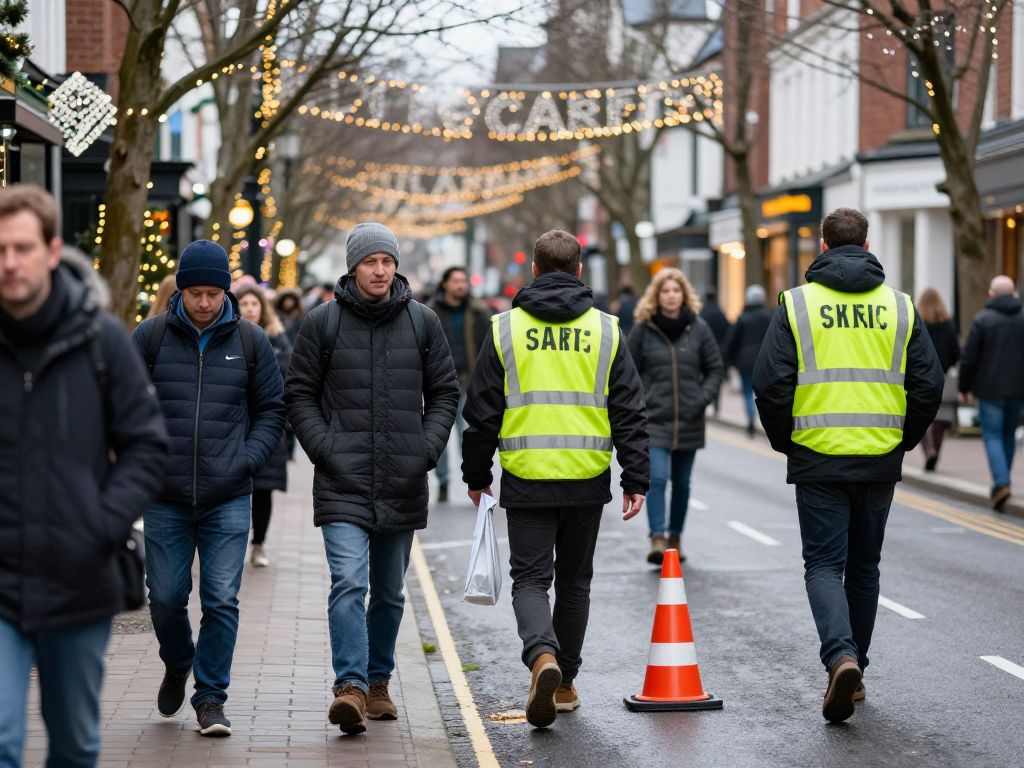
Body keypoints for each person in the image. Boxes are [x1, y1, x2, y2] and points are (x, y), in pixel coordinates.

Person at [0, 185, 169, 766]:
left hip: (78, 577)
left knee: (74, 746)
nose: (10, 263)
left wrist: (100, 523)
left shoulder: (101, 341)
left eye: (22, 248)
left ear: (52, 251)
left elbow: (146, 444)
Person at [753, 208, 942, 724]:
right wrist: (901, 440)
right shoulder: (899, 307)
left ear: (823, 245)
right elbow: (929, 384)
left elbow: (769, 382)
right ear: (867, 244)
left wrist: (787, 442)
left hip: (818, 456)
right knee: (864, 566)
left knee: (823, 566)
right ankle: (856, 669)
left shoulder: (798, 304)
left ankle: (841, 657)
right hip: (878, 457)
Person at [462, 229, 649, 729]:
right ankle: (564, 682)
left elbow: (481, 412)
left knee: (530, 579)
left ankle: (541, 655)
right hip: (586, 478)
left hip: (526, 477)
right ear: (580, 270)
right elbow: (629, 410)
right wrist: (636, 477)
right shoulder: (606, 330)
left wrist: (476, 474)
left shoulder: (505, 329)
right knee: (574, 582)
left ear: (534, 269)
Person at [285, 222, 459, 735]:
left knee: (388, 593)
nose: (380, 271)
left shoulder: (423, 322)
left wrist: (425, 450)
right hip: (342, 480)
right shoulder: (322, 323)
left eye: (387, 261)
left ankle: (378, 682)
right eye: (370, 262)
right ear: (353, 268)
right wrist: (325, 449)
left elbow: (445, 393)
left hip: (402, 479)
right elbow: (299, 394)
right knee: (348, 582)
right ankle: (351, 687)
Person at [132, 240, 286, 737]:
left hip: (228, 496)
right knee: (166, 598)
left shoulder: (251, 341)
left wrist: (247, 460)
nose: (204, 302)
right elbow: (123, 405)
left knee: (221, 599)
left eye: (213, 294)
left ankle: (211, 698)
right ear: (180, 290)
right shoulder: (151, 337)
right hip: (165, 495)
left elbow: (272, 411)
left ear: (225, 291)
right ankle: (178, 660)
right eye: (195, 293)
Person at [628, 269, 724, 564]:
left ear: (684, 295)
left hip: (689, 420)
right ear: (656, 296)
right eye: (666, 290)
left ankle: (675, 538)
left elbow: (715, 368)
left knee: (682, 484)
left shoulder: (699, 328)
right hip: (655, 419)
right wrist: (642, 401)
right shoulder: (643, 330)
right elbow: (629, 371)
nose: (671, 295)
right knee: (657, 478)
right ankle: (657, 537)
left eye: (676, 290)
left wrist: (701, 398)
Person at [236, 284, 293, 566]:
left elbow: (287, 381)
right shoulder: (230, 336)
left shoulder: (278, 339)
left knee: (263, 490)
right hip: (235, 426)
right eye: (244, 303)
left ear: (263, 308)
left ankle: (258, 543)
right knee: (234, 489)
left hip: (268, 426)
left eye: (254, 304)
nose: (249, 309)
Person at [958, 275, 1024, 510]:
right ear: (1014, 292)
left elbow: (969, 358)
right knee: (1008, 435)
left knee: (993, 436)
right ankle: (1003, 480)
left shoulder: (983, 320)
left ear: (991, 294)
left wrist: (964, 388)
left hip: (989, 389)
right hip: (1017, 389)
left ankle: (1001, 482)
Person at [428, 266, 492, 502]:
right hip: (439, 385)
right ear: (445, 284)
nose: (460, 285)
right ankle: (443, 481)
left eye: (464, 281)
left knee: (468, 436)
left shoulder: (479, 312)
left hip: (469, 383)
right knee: (439, 438)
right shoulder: (431, 312)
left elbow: (488, 346)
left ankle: (473, 480)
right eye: (455, 280)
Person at [916, 288, 960, 472]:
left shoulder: (919, 324)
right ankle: (936, 452)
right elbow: (956, 352)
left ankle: (929, 451)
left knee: (919, 415)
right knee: (940, 420)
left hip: (921, 375)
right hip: (942, 376)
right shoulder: (947, 325)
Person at [724, 284, 773, 436]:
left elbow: (732, 340)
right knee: (764, 392)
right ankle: (766, 421)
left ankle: (751, 418)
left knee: (747, 391)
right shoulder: (769, 317)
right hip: (764, 361)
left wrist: (730, 360)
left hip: (744, 361)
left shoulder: (742, 318)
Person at [699, 289, 730, 415]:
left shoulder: (702, 313)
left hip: (702, 349)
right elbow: (727, 329)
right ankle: (716, 405)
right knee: (716, 376)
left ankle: (704, 402)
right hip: (719, 349)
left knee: (703, 376)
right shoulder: (719, 313)